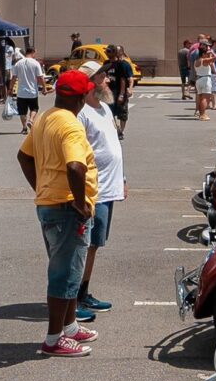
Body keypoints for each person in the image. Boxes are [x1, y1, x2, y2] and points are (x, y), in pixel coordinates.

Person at [16, 70, 98, 358]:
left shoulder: (47, 118)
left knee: (67, 268)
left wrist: (40, 185)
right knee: (65, 273)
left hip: (50, 202)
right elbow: (75, 166)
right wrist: (80, 202)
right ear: (80, 97)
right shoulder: (70, 125)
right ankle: (54, 339)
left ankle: (70, 326)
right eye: (87, 93)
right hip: (65, 208)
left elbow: (24, 155)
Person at [74, 68, 126, 321]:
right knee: (84, 246)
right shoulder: (81, 114)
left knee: (94, 245)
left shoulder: (104, 109)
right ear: (90, 82)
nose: (108, 80)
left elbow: (111, 145)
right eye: (103, 77)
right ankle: (72, 298)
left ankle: (82, 292)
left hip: (109, 188)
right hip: (93, 190)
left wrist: (122, 178)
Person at [11, 46, 44, 133]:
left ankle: (24, 128)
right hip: (32, 91)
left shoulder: (18, 63)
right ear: (33, 52)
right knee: (34, 108)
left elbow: (14, 78)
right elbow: (40, 77)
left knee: (22, 111)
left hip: (21, 92)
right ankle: (31, 120)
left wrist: (10, 89)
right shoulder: (35, 63)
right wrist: (44, 88)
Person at [102, 43, 135, 130]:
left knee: (122, 113)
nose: (107, 53)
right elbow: (102, 75)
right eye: (106, 51)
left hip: (119, 91)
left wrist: (122, 94)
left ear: (114, 52)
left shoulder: (121, 64)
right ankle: (116, 129)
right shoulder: (106, 63)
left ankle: (121, 131)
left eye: (109, 52)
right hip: (109, 92)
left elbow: (123, 79)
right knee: (110, 112)